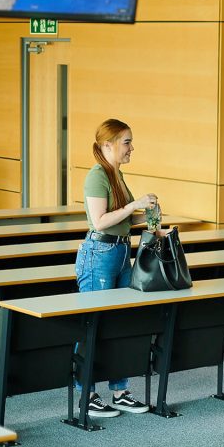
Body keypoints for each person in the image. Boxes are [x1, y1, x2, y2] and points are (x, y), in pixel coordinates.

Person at [74, 118, 156, 417]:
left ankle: (120, 391)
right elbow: (100, 221)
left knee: (119, 323)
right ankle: (87, 394)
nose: (131, 147)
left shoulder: (116, 174)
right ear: (107, 145)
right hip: (100, 253)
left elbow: (120, 219)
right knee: (93, 323)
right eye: (126, 142)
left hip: (120, 251)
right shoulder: (98, 176)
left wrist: (146, 215)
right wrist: (134, 206)